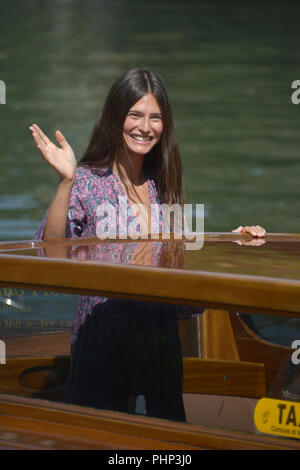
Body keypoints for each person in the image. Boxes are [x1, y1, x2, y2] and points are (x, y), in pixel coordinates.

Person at [30, 68, 266, 420]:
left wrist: (231, 248)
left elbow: (184, 297)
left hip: (160, 350)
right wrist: (66, 182)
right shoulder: (88, 181)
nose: (145, 127)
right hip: (102, 346)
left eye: (156, 118)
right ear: (115, 117)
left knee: (166, 450)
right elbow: (50, 253)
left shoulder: (164, 185)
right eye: (135, 115)